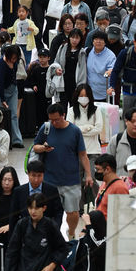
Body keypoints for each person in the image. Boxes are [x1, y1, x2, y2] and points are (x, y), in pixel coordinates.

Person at [32, 101, 93, 239]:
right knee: (48, 212)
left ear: (63, 115)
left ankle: (71, 233)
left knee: (73, 212)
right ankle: (50, 237)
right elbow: (35, 147)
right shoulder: (46, 128)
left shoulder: (75, 131)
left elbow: (83, 155)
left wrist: (88, 174)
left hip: (71, 180)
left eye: (57, 119)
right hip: (49, 180)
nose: (54, 123)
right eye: (51, 120)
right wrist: (43, 148)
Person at [4, 192, 69, 271]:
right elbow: (12, 251)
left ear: (44, 208)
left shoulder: (50, 225)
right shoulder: (22, 224)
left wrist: (52, 265)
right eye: (30, 208)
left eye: (36, 208)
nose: (33, 211)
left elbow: (63, 248)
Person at [67, 84, 109, 202]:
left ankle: (94, 204)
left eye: (85, 96)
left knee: (90, 179)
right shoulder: (71, 111)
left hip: (93, 151)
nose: (83, 98)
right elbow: (70, 129)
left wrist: (79, 130)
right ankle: (80, 207)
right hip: (77, 152)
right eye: (81, 96)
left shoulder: (96, 110)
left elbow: (99, 129)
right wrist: (88, 127)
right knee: (77, 181)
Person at [0, 44, 24, 149]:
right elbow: (0, 82)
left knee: (13, 115)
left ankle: (16, 140)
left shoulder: (16, 62)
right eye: (12, 58)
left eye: (15, 58)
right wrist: (3, 99)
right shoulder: (1, 64)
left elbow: (14, 74)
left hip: (12, 89)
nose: (14, 60)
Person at [11, 159, 63, 227]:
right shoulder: (19, 192)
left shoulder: (52, 190)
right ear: (28, 174)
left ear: (43, 175)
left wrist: (54, 228)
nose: (36, 179)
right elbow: (13, 216)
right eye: (33, 175)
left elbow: (58, 212)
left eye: (39, 176)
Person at [93, 153, 129, 219]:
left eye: (98, 169)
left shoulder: (120, 188)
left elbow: (123, 214)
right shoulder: (104, 184)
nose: (96, 172)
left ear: (107, 169)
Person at [85, 30, 117, 103]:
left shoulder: (110, 56)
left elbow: (113, 70)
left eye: (101, 40)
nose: (98, 41)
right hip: (89, 93)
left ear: (105, 42)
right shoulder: (87, 51)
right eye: (96, 39)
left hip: (104, 94)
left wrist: (110, 71)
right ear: (93, 41)